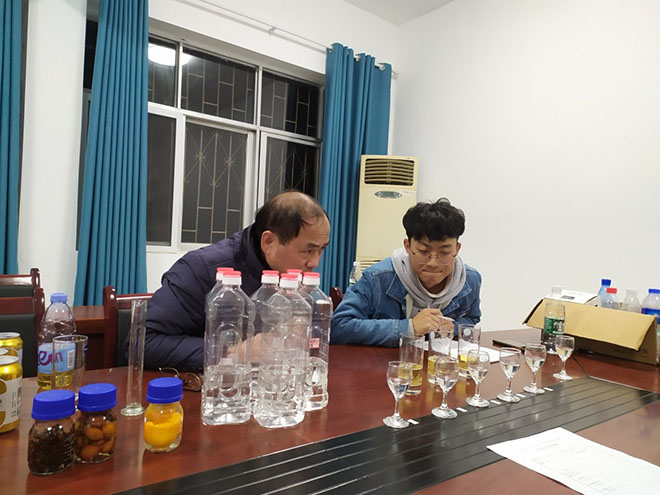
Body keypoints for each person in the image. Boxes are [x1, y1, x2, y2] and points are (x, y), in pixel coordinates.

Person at [140, 191, 330, 370]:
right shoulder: (202, 269)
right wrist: (233, 352)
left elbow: (321, 334)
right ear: (268, 242)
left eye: (321, 250)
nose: (315, 262)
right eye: (308, 251)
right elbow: (144, 342)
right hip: (212, 387)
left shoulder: (295, 279)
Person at [331, 198, 481, 346]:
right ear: (407, 246)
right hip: (386, 360)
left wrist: (453, 327)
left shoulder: (469, 280)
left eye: (444, 253)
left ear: (457, 248)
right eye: (423, 252)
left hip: (439, 360)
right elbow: (339, 327)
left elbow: (471, 319)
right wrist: (409, 328)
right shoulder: (377, 278)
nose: (433, 263)